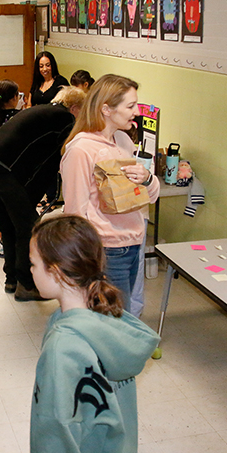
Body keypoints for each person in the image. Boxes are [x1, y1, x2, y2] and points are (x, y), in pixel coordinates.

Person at [27, 215, 159, 453]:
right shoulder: (107, 317)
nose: (30, 270)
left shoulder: (61, 347)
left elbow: (56, 433)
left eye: (33, 264)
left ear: (56, 272)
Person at [60, 74, 160, 311]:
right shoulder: (81, 150)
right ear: (106, 108)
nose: (136, 112)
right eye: (130, 106)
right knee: (114, 318)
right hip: (106, 250)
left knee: (120, 315)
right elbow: (75, 213)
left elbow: (150, 196)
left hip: (133, 242)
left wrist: (147, 179)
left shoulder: (124, 142)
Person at [0, 86, 86, 301]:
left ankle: (12, 279)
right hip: (3, 168)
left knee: (9, 223)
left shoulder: (42, 112)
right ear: (74, 108)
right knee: (29, 226)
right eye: (82, 113)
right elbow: (65, 154)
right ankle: (26, 284)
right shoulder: (63, 118)